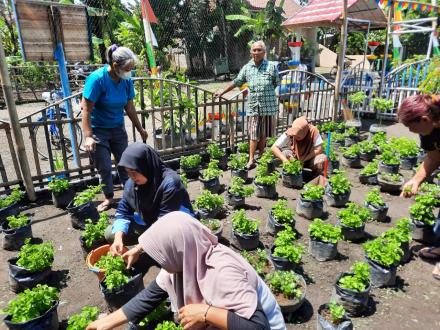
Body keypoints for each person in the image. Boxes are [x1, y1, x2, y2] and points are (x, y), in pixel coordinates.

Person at [87, 211, 286, 330]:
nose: (157, 261)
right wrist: (106, 324)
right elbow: (149, 297)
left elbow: (260, 327)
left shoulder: (221, 271)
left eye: (161, 254)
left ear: (178, 248)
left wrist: (207, 313)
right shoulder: (187, 260)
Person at [82, 45, 148, 212]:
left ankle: (130, 195)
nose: (129, 72)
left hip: (117, 128)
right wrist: (88, 135)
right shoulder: (97, 79)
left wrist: (140, 128)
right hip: (98, 130)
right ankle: (108, 197)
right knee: (103, 166)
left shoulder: (126, 81)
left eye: (131, 69)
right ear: (115, 65)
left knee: (125, 164)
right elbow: (86, 109)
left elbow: (130, 107)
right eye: (127, 68)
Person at [105, 142, 193, 256]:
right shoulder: (132, 184)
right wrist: (118, 239)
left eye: (134, 172)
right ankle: (152, 244)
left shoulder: (170, 183)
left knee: (172, 250)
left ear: (145, 166)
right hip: (151, 222)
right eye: (128, 172)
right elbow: (123, 211)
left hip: (175, 226)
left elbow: (165, 224)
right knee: (110, 234)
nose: (131, 177)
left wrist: (138, 249)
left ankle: (166, 249)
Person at [214, 40, 280, 169]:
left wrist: (267, 92)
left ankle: (261, 155)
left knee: (264, 133)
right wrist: (223, 91)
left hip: (268, 105)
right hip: (253, 105)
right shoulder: (247, 67)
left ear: (264, 52)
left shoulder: (271, 66)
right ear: (251, 52)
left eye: (259, 50)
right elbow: (237, 81)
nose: (256, 52)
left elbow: (276, 82)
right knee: (253, 133)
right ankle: (251, 159)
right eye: (254, 50)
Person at [398, 94, 440, 280]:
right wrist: (416, 179)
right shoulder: (428, 131)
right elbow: (433, 157)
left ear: (424, 119)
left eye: (412, 128)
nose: (411, 131)